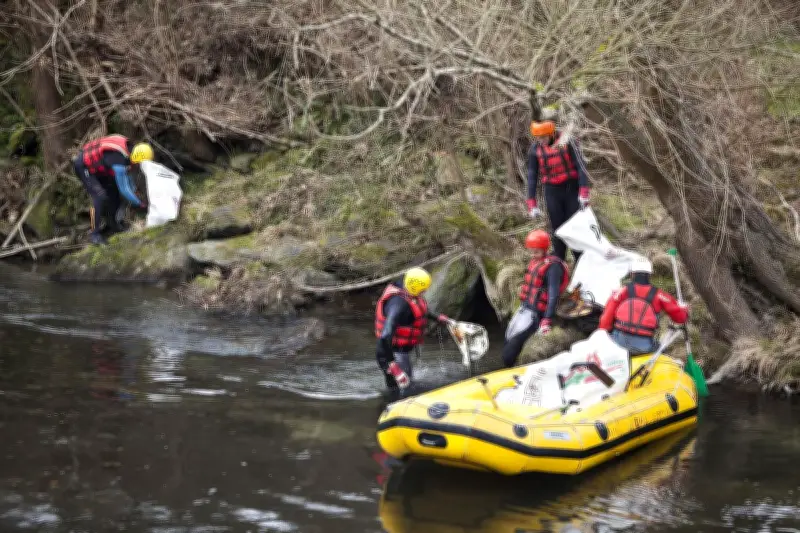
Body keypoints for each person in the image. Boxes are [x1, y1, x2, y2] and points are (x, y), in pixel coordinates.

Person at [374, 267, 454, 394]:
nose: (425, 291)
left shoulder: (405, 289)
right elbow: (385, 336)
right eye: (423, 289)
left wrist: (438, 318)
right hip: (392, 353)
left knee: (406, 383)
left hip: (400, 351)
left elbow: (417, 310)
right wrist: (392, 365)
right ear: (415, 287)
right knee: (402, 390)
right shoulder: (398, 305)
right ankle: (391, 409)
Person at [501, 229, 570, 368]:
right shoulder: (536, 261)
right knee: (508, 337)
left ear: (545, 249)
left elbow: (553, 295)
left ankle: (510, 366)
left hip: (537, 313)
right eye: (531, 251)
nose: (533, 255)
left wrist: (547, 320)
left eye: (537, 252)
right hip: (525, 308)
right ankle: (509, 365)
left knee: (509, 351)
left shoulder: (553, 267)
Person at [525, 120, 591, 263]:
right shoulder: (535, 150)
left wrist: (584, 191)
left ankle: (581, 260)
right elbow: (532, 176)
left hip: (571, 188)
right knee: (557, 227)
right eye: (538, 138)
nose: (541, 141)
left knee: (574, 225)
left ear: (552, 134)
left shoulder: (568, 142)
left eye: (543, 137)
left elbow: (581, 167)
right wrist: (531, 202)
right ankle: (559, 260)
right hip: (552, 191)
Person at [72, 134, 153, 244]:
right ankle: (94, 234)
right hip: (84, 167)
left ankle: (113, 225)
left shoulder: (130, 150)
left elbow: (129, 182)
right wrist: (140, 204)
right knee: (99, 197)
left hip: (99, 168)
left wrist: (136, 193)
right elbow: (124, 189)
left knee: (114, 194)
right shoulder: (119, 160)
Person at [597, 257, 689, 354]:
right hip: (644, 346)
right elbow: (681, 318)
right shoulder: (659, 295)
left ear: (632, 273)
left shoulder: (621, 292)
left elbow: (605, 320)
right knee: (663, 353)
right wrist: (684, 308)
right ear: (649, 274)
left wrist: (603, 337)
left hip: (618, 342)